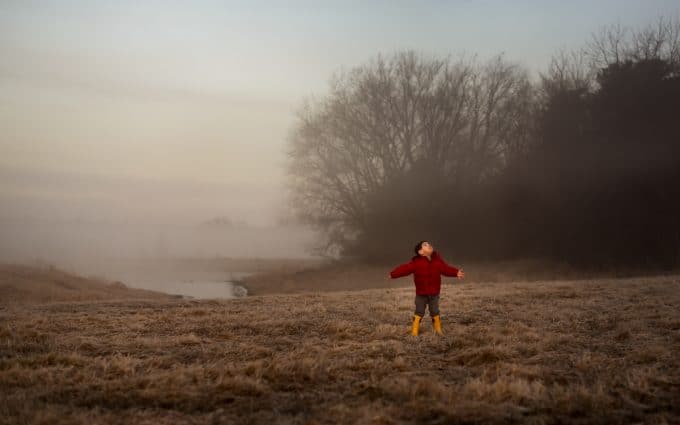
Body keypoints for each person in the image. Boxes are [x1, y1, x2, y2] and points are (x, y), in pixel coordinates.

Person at [388, 241, 464, 336]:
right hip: (421, 294)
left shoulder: (437, 261)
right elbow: (404, 269)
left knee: (435, 311)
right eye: (425, 245)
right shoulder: (416, 263)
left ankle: (438, 329)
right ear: (420, 252)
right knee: (419, 311)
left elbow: (446, 269)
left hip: (434, 293)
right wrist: (393, 274)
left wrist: (456, 273)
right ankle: (414, 331)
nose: (429, 245)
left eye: (429, 244)